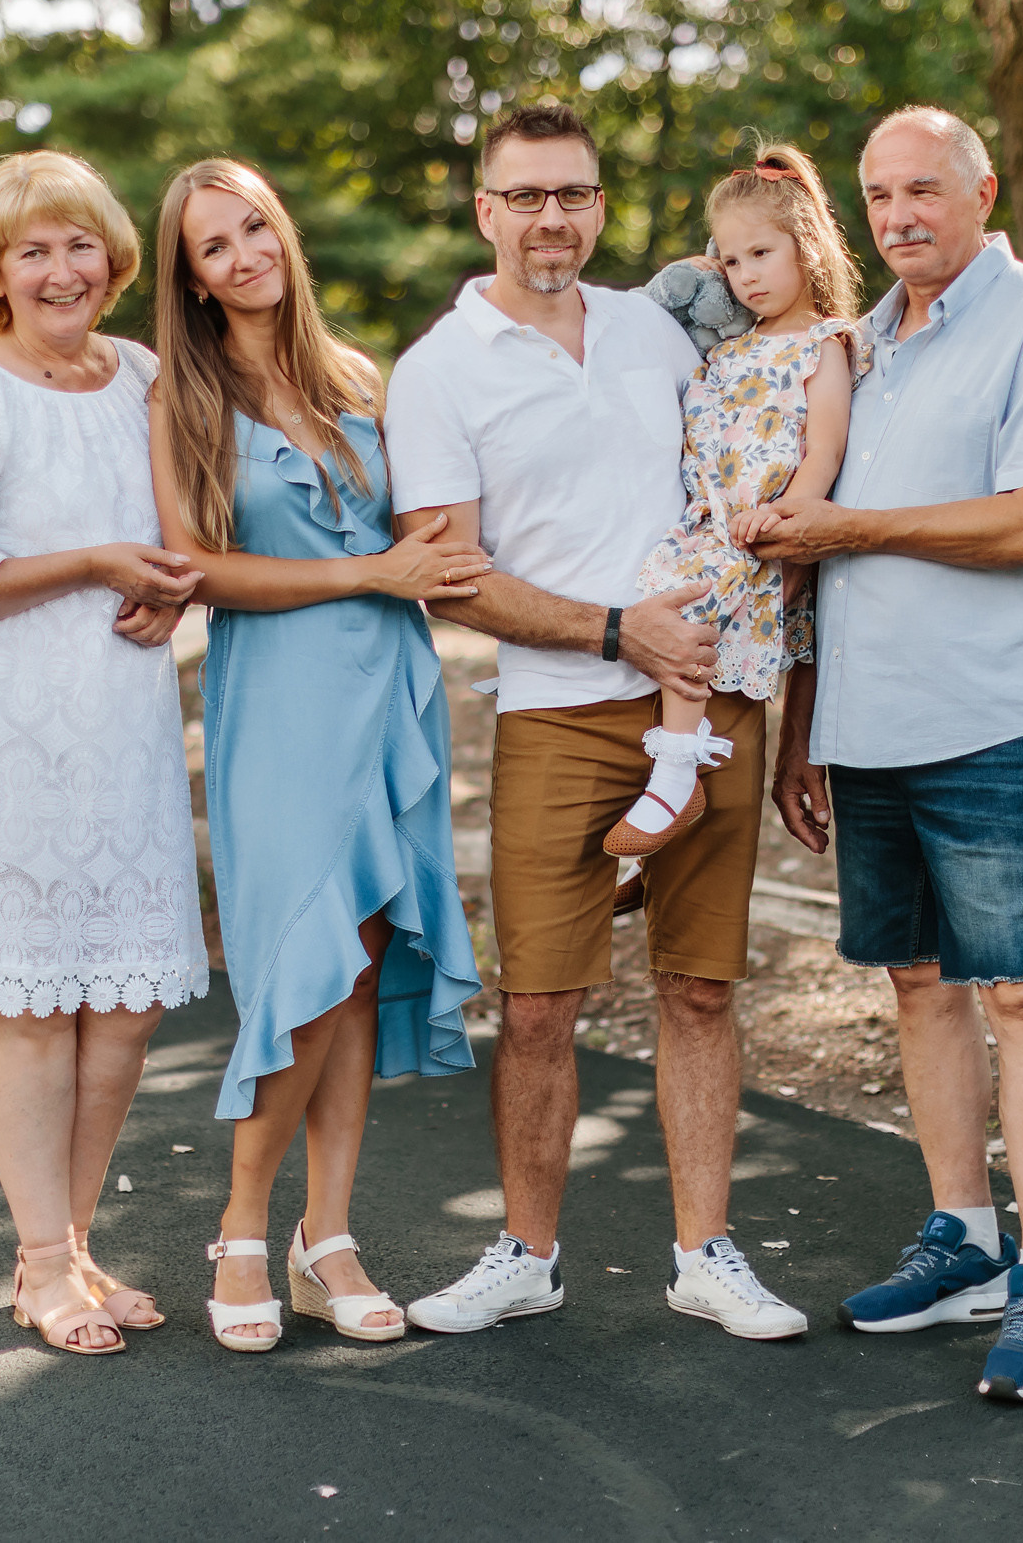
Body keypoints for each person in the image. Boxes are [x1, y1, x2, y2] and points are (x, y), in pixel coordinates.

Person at [387, 100, 808, 1340]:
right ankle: (526, 1251)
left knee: (698, 990)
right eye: (524, 196)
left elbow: (777, 390)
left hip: (716, 701)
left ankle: (705, 1253)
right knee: (537, 1005)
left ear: (599, 205)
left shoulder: (653, 330)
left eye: (571, 193)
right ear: (485, 211)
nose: (550, 217)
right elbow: (450, 572)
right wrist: (619, 632)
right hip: (559, 712)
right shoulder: (438, 370)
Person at [758, 106, 1023, 1402]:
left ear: (983, 190)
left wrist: (852, 525)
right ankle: (961, 1234)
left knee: (1021, 990)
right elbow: (804, 546)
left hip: (999, 716)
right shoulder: (861, 348)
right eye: (879, 195)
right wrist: (804, 726)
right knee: (917, 981)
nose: (900, 215)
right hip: (870, 723)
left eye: (924, 189)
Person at [146, 159, 491, 1353]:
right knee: (308, 953)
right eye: (212, 248)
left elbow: (429, 535)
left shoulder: (355, 377)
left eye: (253, 229)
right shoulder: (181, 401)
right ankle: (244, 1230)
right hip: (283, 699)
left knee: (359, 958)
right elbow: (200, 570)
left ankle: (326, 1236)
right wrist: (366, 572)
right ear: (188, 281)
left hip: (391, 689)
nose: (244, 256)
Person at [0, 150, 211, 1357]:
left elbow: (180, 528)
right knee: (35, 1005)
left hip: (116, 724)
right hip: (3, 736)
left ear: (113, 259)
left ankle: (71, 1245)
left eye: (79, 245)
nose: (61, 269)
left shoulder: (141, 375)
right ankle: (39, 1261)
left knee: (121, 1005)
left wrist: (171, 589)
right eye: (33, 250)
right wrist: (92, 562)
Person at [608, 143, 858, 858]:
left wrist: (781, 513)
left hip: (757, 535)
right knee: (643, 611)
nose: (746, 276)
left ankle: (675, 773)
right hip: (702, 521)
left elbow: (825, 451)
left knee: (681, 609)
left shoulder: (823, 343)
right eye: (730, 261)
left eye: (760, 254)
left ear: (805, 248)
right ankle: (650, 794)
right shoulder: (724, 350)